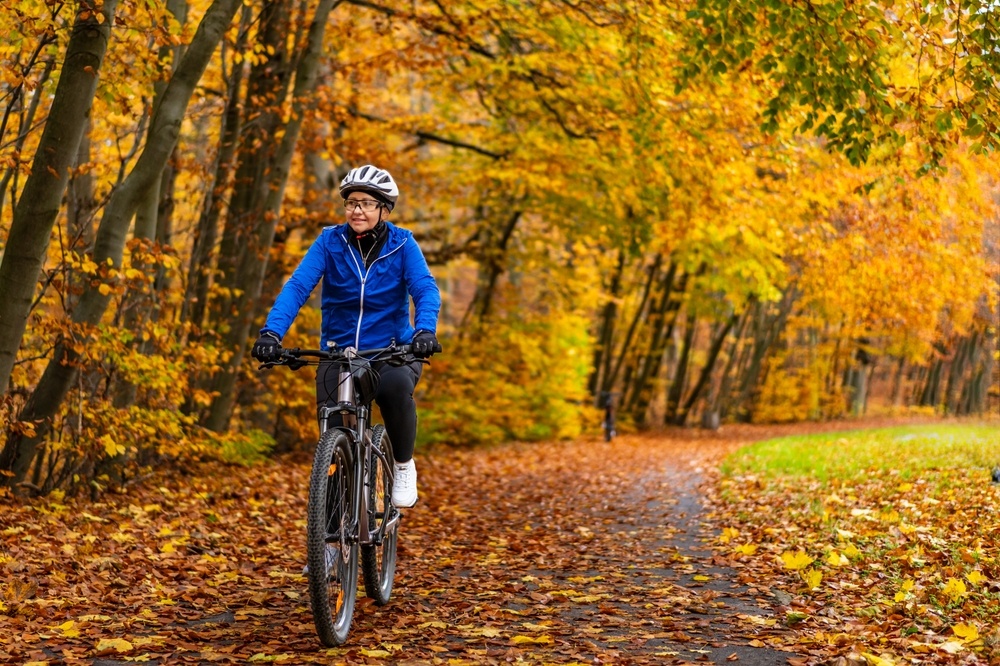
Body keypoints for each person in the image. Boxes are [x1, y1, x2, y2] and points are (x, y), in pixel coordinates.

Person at [251, 165, 441, 508]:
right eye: (352, 202)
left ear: (384, 209)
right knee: (334, 444)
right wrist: (271, 333)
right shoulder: (329, 242)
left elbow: (425, 288)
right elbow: (297, 287)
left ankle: (402, 464)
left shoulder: (402, 244)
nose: (357, 210)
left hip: (392, 351)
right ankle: (331, 547)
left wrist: (425, 330)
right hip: (340, 354)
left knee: (396, 389)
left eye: (367, 203)